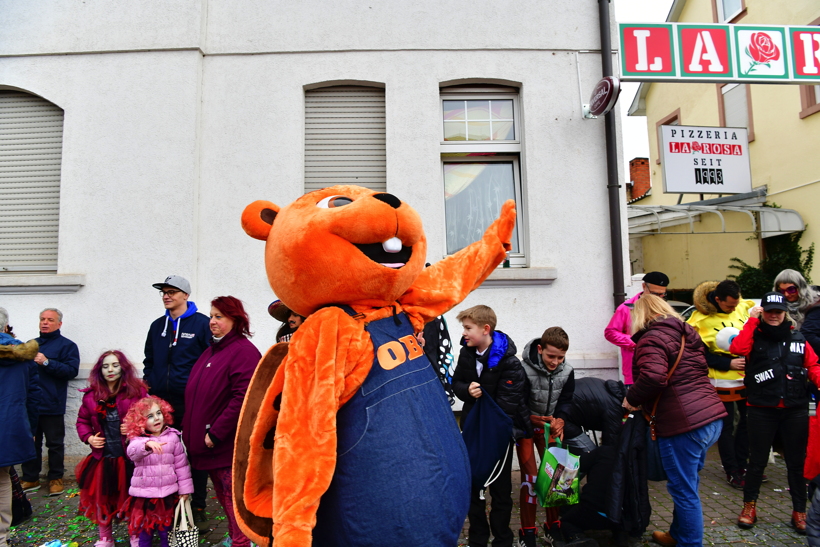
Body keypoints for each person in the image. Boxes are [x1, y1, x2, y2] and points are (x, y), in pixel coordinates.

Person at [624, 294, 726, 547]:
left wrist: (631, 399)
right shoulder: (686, 334)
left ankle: (690, 543)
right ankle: (677, 535)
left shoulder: (651, 338)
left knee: (684, 490)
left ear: (641, 315)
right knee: (688, 483)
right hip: (711, 418)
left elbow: (654, 377)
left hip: (684, 424)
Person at [728, 292, 820, 534]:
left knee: (796, 464)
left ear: (784, 313)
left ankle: (799, 511)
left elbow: (812, 365)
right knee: (756, 462)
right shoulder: (753, 335)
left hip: (795, 409)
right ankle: (749, 508)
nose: (773, 315)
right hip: (761, 409)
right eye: (768, 311)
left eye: (778, 312)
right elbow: (737, 347)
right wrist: (751, 321)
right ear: (763, 312)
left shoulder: (798, 337)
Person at [183, 296, 261, 547]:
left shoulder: (243, 352)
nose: (212, 321)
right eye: (211, 316)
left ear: (235, 320)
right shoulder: (212, 351)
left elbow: (244, 398)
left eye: (219, 316)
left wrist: (215, 433)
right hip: (209, 446)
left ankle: (242, 542)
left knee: (233, 498)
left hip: (226, 446)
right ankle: (235, 537)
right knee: (223, 496)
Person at [451, 305, 531, 547]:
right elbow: (458, 382)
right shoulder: (466, 352)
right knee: (474, 483)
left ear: (485, 329)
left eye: (468, 328)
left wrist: (481, 397)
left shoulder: (510, 362)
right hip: (473, 428)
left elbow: (508, 405)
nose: (464, 333)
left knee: (500, 487)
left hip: (499, 432)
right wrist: (467, 390)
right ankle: (478, 537)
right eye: (463, 328)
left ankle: (503, 538)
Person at [143, 275, 210, 522]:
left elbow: (210, 360)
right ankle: (170, 503)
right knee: (166, 453)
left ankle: (198, 506)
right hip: (162, 403)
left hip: (191, 401)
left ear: (185, 295)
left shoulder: (202, 324)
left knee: (193, 452)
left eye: (172, 291)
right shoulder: (156, 326)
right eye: (163, 292)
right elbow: (149, 359)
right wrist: (149, 383)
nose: (166, 296)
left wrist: (201, 389)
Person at [76, 350, 148, 547]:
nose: (110, 370)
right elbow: (82, 420)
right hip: (104, 459)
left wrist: (135, 427)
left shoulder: (137, 392)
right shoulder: (91, 396)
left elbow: (149, 417)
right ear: (100, 370)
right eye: (106, 366)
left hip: (129, 458)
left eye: (115, 365)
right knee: (103, 498)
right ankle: (105, 536)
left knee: (132, 498)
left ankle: (135, 533)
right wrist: (89, 437)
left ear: (123, 367)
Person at [687, 280, 754, 489]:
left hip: (748, 379)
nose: (734, 308)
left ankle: (743, 466)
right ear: (717, 299)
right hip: (720, 381)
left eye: (736, 304)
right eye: (729, 306)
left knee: (749, 423)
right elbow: (695, 353)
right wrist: (727, 362)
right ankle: (732, 470)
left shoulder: (742, 304)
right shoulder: (699, 319)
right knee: (724, 428)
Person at [517, 326, 577, 547]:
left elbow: (567, 399)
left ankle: (553, 528)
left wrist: (561, 419)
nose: (555, 362)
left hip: (550, 427)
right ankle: (527, 533)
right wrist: (531, 418)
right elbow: (517, 401)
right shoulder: (522, 368)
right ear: (540, 349)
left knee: (559, 478)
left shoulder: (567, 370)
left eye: (561, 357)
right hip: (525, 427)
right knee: (531, 479)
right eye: (551, 356)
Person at [21, 308, 80, 497]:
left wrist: (47, 362)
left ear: (59, 324)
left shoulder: (67, 346)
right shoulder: (31, 345)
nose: (45, 323)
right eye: (42, 319)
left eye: (50, 320)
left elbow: (71, 371)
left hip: (52, 403)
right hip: (31, 405)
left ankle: (56, 478)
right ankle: (31, 477)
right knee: (30, 443)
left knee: (55, 444)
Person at [123, 395, 194, 547]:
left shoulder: (173, 437)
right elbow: (132, 452)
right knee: (145, 532)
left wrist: (185, 490)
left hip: (167, 495)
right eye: (150, 416)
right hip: (145, 496)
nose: (156, 418)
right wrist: (147, 445)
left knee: (167, 533)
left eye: (158, 413)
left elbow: (181, 466)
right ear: (140, 421)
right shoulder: (138, 440)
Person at [0, 307, 41, 547]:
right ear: (6, 327)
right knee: (2, 479)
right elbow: (33, 397)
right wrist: (31, 429)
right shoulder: (24, 357)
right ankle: (1, 538)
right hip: (10, 426)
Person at [605, 271, 670, 386]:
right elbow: (610, 332)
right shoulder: (626, 308)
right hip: (635, 372)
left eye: (662, 295)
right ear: (644, 286)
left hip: (661, 371)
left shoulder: (665, 310)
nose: (659, 298)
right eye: (655, 294)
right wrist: (634, 341)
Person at [565, 377, 627, 448]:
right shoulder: (615, 408)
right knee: (590, 450)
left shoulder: (613, 390)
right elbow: (610, 444)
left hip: (563, 407)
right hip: (561, 417)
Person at [773, 269, 820, 348]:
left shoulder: (815, 305)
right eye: (781, 291)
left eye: (791, 289)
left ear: (801, 287)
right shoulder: (776, 306)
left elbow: (808, 335)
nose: (787, 294)